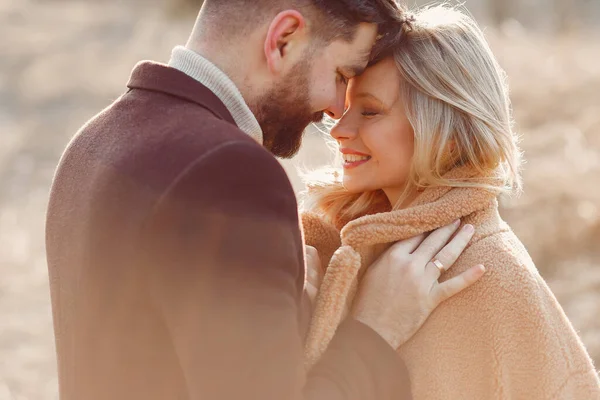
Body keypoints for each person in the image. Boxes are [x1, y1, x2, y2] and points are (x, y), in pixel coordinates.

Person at [45, 1, 487, 399]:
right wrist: (375, 329)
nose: (336, 109)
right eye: (341, 76)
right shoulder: (229, 173)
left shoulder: (91, 144)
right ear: (284, 39)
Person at [301, 4, 600, 399]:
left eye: (370, 111)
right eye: (346, 108)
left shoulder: (490, 274)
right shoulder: (322, 251)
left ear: (445, 129)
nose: (339, 129)